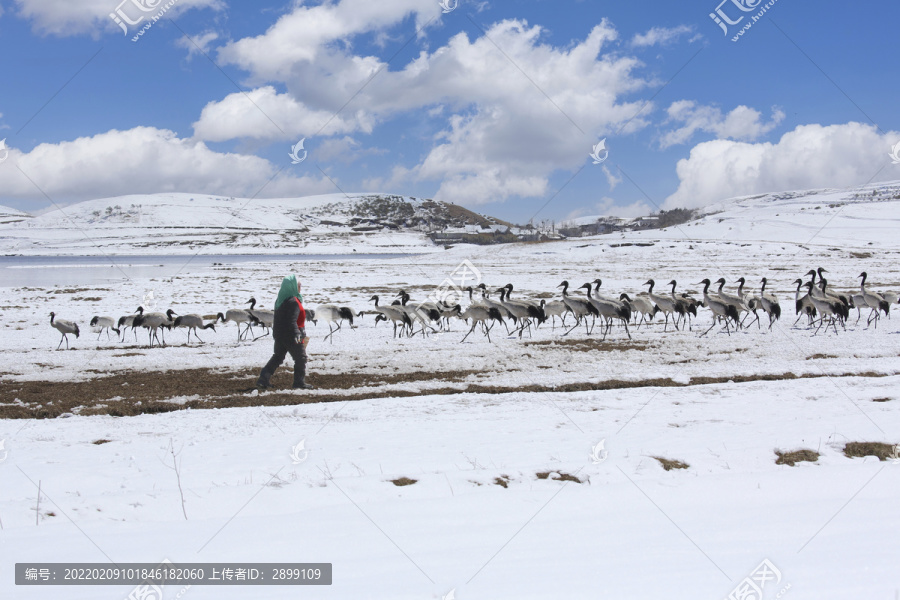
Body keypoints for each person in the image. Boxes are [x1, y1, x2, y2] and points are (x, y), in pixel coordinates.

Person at [256, 275, 315, 390]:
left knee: (278, 357)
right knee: (301, 358)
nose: (300, 287)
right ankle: (299, 383)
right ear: (292, 286)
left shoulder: (280, 300)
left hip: (279, 335)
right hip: (292, 335)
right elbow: (291, 320)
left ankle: (263, 379)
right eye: (298, 285)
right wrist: (297, 334)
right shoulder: (293, 302)